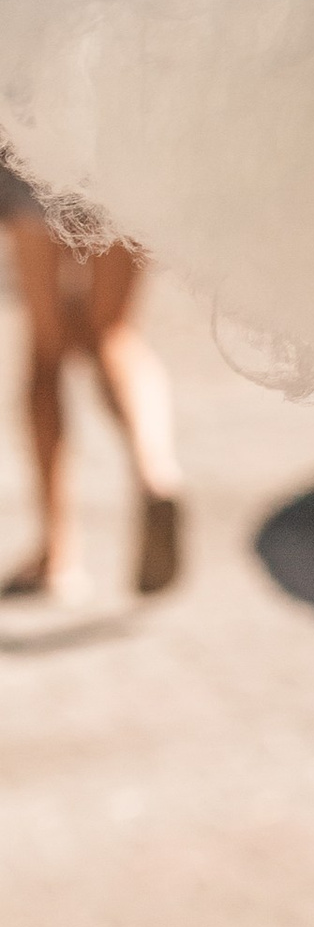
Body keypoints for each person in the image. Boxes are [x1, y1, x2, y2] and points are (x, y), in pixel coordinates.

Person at [2, 156, 184, 607]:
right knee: (114, 332)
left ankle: (56, 553)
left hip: (35, 144)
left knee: (47, 346)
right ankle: (155, 471)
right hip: (126, 148)